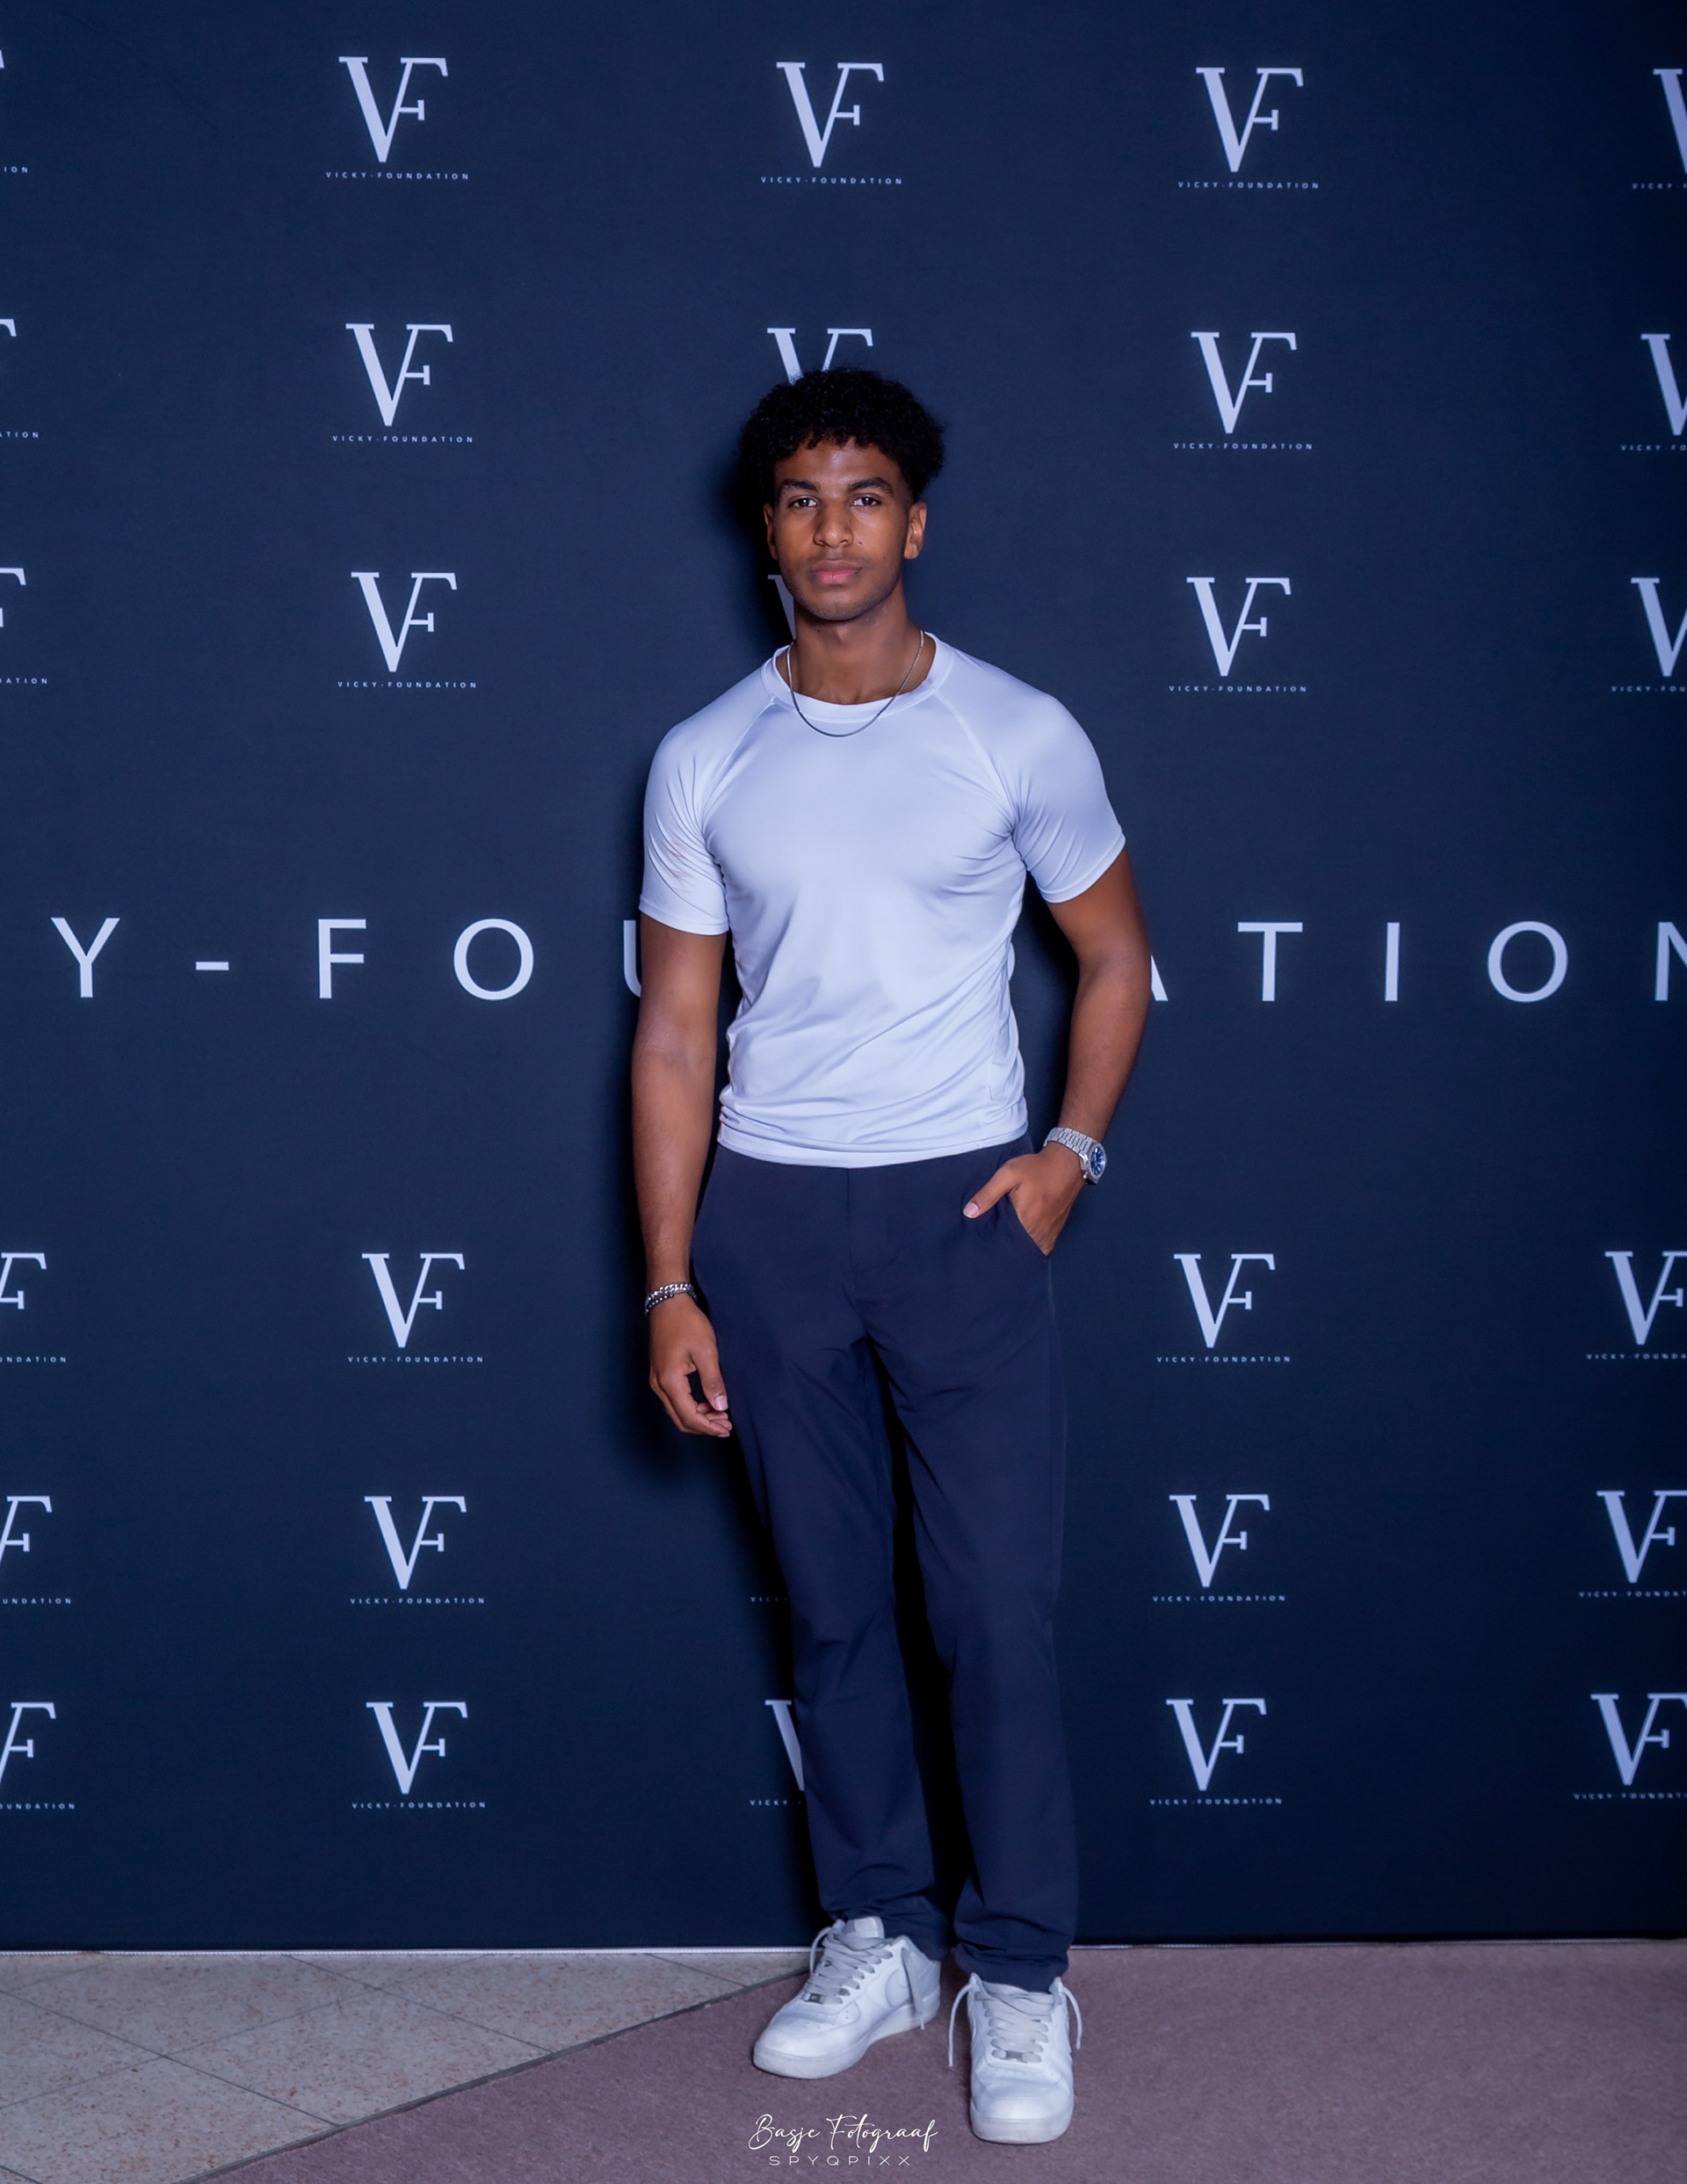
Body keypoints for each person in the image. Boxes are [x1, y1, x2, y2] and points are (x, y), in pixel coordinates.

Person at [631, 367, 1151, 2145]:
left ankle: (1019, 1967)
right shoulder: (705, 755)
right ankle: (880, 1931)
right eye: (801, 498)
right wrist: (671, 1276)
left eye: (864, 496)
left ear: (914, 522)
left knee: (992, 1606)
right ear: (765, 531)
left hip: (961, 1218)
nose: (833, 529)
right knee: (836, 1606)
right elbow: (676, 1032)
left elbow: (1117, 954)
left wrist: (1071, 1154)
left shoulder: (1017, 732)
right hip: (772, 1222)